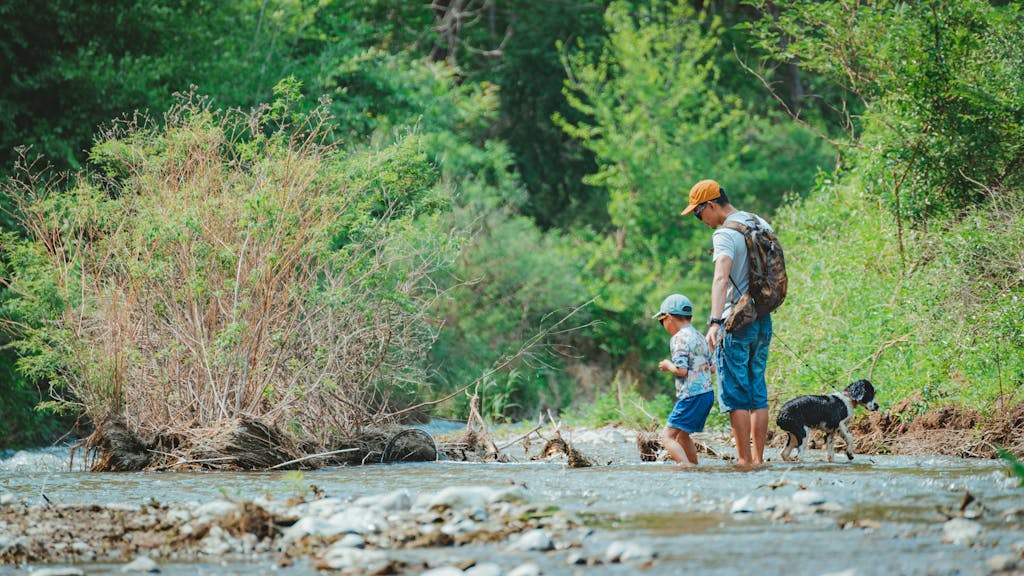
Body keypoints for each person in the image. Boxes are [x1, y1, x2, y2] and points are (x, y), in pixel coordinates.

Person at [680, 179, 774, 465]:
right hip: (763, 318)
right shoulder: (760, 223)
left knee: (735, 394)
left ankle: (744, 461)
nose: (700, 220)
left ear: (710, 205)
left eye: (698, 213)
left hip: (736, 321)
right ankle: (759, 459)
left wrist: (714, 322)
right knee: (758, 390)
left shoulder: (724, 234)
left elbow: (721, 277)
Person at [652, 293, 715, 466]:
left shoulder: (678, 339)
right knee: (682, 435)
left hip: (691, 395)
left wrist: (667, 365)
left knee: (667, 436)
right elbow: (713, 368)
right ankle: (694, 466)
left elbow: (681, 370)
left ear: (669, 317)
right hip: (707, 394)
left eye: (661, 321)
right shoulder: (701, 337)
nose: (663, 325)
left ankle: (685, 467)